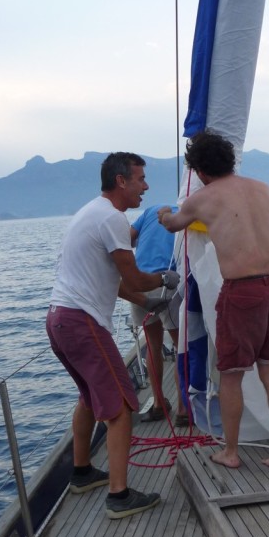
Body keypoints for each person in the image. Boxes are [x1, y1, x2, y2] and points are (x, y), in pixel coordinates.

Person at [46, 152, 180, 518]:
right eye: (140, 179)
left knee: (89, 398)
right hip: (83, 323)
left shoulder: (89, 213)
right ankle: (119, 496)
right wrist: (165, 279)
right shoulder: (113, 219)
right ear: (121, 181)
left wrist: (146, 301)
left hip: (58, 319)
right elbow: (134, 277)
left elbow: (113, 281)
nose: (145, 187)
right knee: (121, 408)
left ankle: (81, 472)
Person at [158, 130, 269, 472]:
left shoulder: (201, 199)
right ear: (230, 160)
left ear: (200, 171)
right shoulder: (263, 188)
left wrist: (162, 215)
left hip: (243, 291)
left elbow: (174, 225)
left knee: (231, 375)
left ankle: (231, 452)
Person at [128, 204, 188, 427]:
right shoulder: (186, 213)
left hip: (138, 283)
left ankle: (158, 405)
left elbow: (127, 238)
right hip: (165, 283)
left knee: (152, 346)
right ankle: (183, 410)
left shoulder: (149, 212)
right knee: (180, 346)